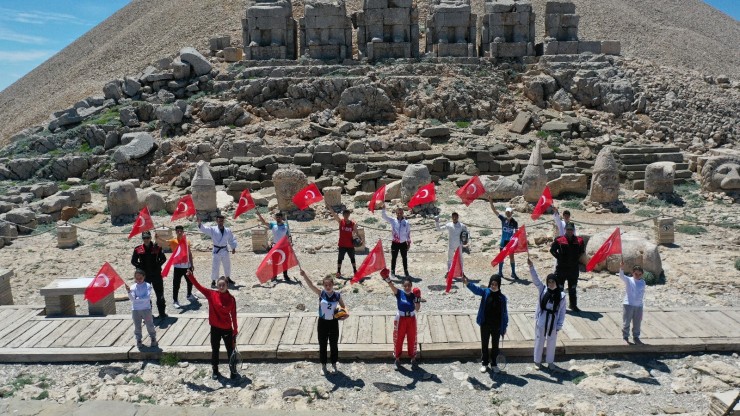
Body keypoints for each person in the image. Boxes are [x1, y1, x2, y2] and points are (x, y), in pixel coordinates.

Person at [185, 271, 239, 380]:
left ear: (227, 285)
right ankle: (215, 370)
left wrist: (235, 330)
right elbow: (199, 286)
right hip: (214, 327)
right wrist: (190, 276)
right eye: (219, 285)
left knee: (230, 351)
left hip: (227, 328)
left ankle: (233, 370)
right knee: (215, 349)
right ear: (217, 285)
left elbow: (233, 315)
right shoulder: (211, 294)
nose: (221, 287)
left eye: (223, 285)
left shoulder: (231, 299)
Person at [299, 269, 348, 376]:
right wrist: (304, 275)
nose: (328, 287)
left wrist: (344, 316)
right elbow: (311, 285)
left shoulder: (337, 295)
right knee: (323, 344)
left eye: (329, 284)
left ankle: (334, 364)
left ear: (333, 284)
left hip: (333, 322)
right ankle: (323, 365)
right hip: (322, 323)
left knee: (334, 344)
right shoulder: (321, 293)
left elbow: (343, 308)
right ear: (323, 285)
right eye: (326, 285)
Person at [463, 273, 508, 373]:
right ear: (489, 284)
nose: (493, 286)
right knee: (484, 344)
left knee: (495, 346)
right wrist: (468, 284)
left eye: (495, 284)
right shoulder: (485, 292)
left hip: (496, 326)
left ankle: (494, 364)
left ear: (499, 285)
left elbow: (505, 314)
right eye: (492, 284)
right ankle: (484, 363)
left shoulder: (502, 298)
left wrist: (504, 327)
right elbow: (476, 290)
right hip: (485, 324)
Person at [528, 257, 566, 370]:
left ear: (556, 282)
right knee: (539, 339)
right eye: (549, 282)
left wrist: (559, 325)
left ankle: (550, 362)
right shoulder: (543, 289)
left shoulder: (562, 295)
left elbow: (562, 311)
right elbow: (536, 280)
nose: (550, 284)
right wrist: (531, 267)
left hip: (553, 320)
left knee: (551, 341)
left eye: (552, 282)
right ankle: (537, 361)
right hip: (542, 318)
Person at [382, 269, 420, 369]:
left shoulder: (413, 295)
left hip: (411, 318)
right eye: (405, 286)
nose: (407, 287)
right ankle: (397, 358)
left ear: (411, 286)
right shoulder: (399, 293)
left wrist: (418, 299)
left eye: (409, 285)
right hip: (401, 319)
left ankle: (413, 358)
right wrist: (387, 278)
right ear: (403, 286)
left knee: (412, 338)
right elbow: (392, 286)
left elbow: (417, 309)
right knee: (399, 338)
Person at [130, 231, 167, 319]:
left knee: (160, 294)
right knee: (145, 296)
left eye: (147, 238)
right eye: (144, 238)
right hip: (144, 277)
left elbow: (163, 259)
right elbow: (133, 261)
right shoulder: (138, 249)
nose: (146, 240)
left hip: (156, 275)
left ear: (150, 238)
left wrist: (158, 266)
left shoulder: (157, 247)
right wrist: (140, 268)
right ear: (142, 239)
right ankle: (147, 314)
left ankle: (162, 314)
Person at [549, 222, 585, 311]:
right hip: (562, 269)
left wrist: (576, 259)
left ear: (573, 230)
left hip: (573, 269)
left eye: (571, 230)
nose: (569, 231)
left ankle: (573, 305)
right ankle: (558, 306)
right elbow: (552, 250)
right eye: (568, 229)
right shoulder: (559, 240)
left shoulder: (579, 241)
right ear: (565, 229)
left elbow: (581, 252)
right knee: (560, 288)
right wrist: (559, 258)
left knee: (572, 288)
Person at [198, 215, 238, 288]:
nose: (220, 222)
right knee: (215, 266)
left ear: (223, 221)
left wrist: (233, 247)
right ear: (216, 221)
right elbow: (204, 229)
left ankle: (228, 278)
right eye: (219, 221)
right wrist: (200, 224)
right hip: (216, 250)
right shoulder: (213, 229)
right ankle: (213, 280)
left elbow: (231, 239)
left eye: (222, 221)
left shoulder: (227, 230)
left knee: (227, 265)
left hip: (225, 250)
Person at [124, 269, 158, 348]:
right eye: (137, 278)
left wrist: (137, 298)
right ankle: (138, 340)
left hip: (146, 309)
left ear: (144, 277)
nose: (139, 279)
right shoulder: (132, 287)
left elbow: (147, 297)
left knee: (149, 324)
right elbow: (132, 299)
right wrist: (129, 291)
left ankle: (153, 338)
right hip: (135, 310)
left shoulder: (148, 285)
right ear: (134, 278)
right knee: (137, 326)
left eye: (140, 278)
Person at [325, 201, 359, 279]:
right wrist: (330, 208)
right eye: (345, 215)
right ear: (343, 215)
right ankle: (338, 271)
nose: (346, 216)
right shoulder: (341, 222)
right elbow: (334, 215)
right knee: (340, 259)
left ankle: (355, 271)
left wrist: (360, 239)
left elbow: (356, 232)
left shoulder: (352, 224)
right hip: (342, 244)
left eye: (347, 215)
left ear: (349, 215)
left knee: (352, 258)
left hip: (350, 244)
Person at [256, 211, 293, 281]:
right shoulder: (273, 225)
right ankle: (274, 275)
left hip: (284, 246)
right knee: (275, 261)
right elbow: (264, 222)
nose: (278, 218)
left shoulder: (286, 226)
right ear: (275, 218)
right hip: (276, 246)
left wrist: (290, 241)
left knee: (285, 261)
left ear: (282, 218)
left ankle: (285, 275)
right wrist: (259, 215)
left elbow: (288, 235)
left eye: (279, 217)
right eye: (277, 217)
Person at [167, 225, 196, 309]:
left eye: (181, 231)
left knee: (190, 281)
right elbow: (164, 242)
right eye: (178, 231)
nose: (179, 232)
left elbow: (189, 253)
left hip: (187, 266)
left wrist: (192, 264)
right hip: (178, 267)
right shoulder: (173, 241)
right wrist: (157, 238)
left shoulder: (187, 241)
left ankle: (189, 294)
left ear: (183, 232)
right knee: (176, 284)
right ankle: (175, 300)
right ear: (175, 232)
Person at [489, 199, 519, 280]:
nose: (508, 213)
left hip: (510, 242)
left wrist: (515, 241)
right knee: (501, 257)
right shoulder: (503, 219)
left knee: (512, 257)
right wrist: (491, 202)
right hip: (503, 242)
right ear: (506, 213)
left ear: (512, 213)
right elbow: (494, 211)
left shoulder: (515, 222)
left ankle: (513, 273)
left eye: (509, 212)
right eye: (507, 212)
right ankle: (500, 272)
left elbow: (516, 234)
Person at [618, 260, 645, 344]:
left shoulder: (643, 282)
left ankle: (636, 337)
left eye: (639, 274)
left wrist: (641, 305)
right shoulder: (629, 280)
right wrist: (621, 267)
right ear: (632, 273)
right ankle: (625, 336)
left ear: (642, 274)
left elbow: (641, 294)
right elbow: (621, 276)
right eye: (636, 274)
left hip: (638, 306)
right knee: (626, 322)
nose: (637, 276)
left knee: (637, 323)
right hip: (628, 304)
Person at [381, 206, 411, 279]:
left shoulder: (406, 222)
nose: (399, 214)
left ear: (403, 213)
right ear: (396, 214)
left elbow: (408, 233)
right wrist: (383, 209)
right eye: (398, 213)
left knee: (404, 257)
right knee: (394, 257)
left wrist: (409, 242)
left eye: (400, 213)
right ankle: (393, 271)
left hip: (403, 243)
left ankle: (406, 271)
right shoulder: (393, 220)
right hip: (395, 243)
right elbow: (384, 216)